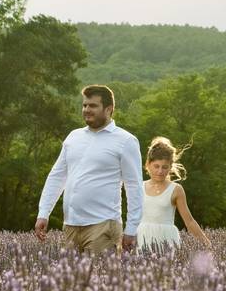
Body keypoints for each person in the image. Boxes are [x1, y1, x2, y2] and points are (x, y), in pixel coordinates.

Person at [34, 85, 144, 254]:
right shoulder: (73, 137)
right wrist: (44, 212)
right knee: (70, 280)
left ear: (109, 109)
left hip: (103, 225)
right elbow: (57, 177)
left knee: (100, 279)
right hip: (71, 225)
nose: (86, 109)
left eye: (93, 106)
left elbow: (134, 186)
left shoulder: (126, 141)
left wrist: (131, 229)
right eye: (85, 105)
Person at [138, 136, 212, 254]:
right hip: (142, 238)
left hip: (167, 239)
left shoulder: (176, 190)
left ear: (170, 167)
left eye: (165, 167)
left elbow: (189, 221)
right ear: (148, 164)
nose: (160, 171)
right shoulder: (139, 187)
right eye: (156, 166)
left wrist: (207, 244)